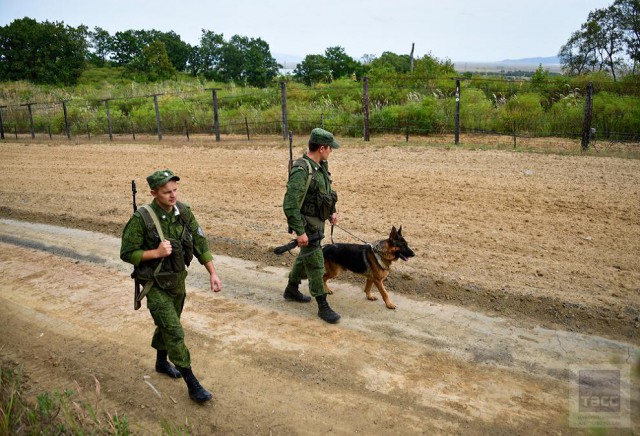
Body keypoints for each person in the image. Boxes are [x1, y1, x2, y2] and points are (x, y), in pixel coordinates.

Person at [120, 169, 222, 403]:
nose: (173, 195)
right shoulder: (142, 219)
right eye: (167, 192)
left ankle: (160, 362)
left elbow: (199, 243)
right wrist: (155, 252)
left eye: (175, 190)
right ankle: (192, 383)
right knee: (174, 331)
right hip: (154, 285)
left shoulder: (184, 212)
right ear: (154, 193)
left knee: (168, 324)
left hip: (177, 281)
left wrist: (213, 273)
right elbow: (126, 253)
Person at [282, 128, 341, 323]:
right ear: (322, 148)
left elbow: (326, 192)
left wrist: (332, 211)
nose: (331, 151)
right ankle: (323, 306)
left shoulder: (321, 166)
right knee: (316, 264)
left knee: (305, 257)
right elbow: (290, 204)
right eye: (330, 148)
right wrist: (300, 232)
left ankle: (291, 289)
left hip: (318, 223)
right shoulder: (302, 170)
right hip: (307, 226)